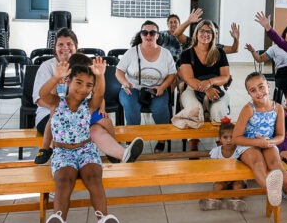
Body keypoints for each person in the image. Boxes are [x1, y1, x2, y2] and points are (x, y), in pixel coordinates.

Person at [32, 28, 143, 165]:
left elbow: (98, 94)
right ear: (55, 48)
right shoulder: (49, 68)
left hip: (83, 109)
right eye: (60, 44)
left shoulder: (83, 65)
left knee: (103, 121)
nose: (65, 48)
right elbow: (41, 98)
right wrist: (66, 108)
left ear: (76, 46)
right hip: (53, 112)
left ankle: (117, 153)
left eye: (69, 44)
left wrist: (95, 108)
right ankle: (48, 150)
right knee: (62, 119)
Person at [41, 57, 119, 223]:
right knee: (64, 181)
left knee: (94, 178)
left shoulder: (89, 105)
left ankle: (103, 221)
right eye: (79, 82)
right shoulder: (56, 102)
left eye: (89, 85)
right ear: (68, 81)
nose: (83, 89)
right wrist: (56, 77)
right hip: (62, 153)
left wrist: (100, 76)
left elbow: (100, 94)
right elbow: (43, 94)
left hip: (86, 150)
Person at [232, 72, 287, 207]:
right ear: (249, 93)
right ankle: (270, 188)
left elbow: (281, 136)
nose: (258, 93)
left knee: (276, 163)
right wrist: (258, 142)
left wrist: (269, 143)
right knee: (258, 163)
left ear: (268, 86)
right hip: (248, 145)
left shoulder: (278, 108)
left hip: (267, 143)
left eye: (261, 87)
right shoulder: (248, 109)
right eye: (253, 90)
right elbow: (236, 138)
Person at [117, 21, 177, 153]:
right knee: (131, 106)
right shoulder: (132, 52)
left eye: (152, 32)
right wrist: (125, 82)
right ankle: (133, 141)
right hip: (132, 88)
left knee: (160, 108)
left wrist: (163, 87)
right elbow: (119, 71)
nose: (148, 35)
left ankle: (161, 140)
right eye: (145, 32)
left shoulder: (166, 53)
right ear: (141, 35)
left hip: (156, 89)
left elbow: (172, 74)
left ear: (157, 35)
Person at [174, 20, 231, 151]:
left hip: (216, 88)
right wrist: (206, 89)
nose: (205, 34)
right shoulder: (186, 54)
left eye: (209, 31)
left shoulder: (219, 53)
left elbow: (225, 76)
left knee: (218, 110)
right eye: (202, 31)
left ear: (213, 35)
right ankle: (194, 149)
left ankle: (222, 148)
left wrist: (210, 83)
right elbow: (188, 78)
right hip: (192, 88)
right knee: (194, 109)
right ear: (196, 33)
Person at [245, 21, 287, 102]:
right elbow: (259, 59)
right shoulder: (275, 48)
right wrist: (253, 51)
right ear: (286, 31)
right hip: (283, 73)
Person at [199, 120, 248, 212]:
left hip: (237, 178)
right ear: (220, 139)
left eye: (232, 137)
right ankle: (214, 200)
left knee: (238, 186)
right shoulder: (216, 151)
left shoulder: (240, 150)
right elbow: (213, 168)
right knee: (218, 186)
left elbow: (244, 167)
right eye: (225, 137)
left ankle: (236, 201)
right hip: (222, 178)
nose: (229, 140)